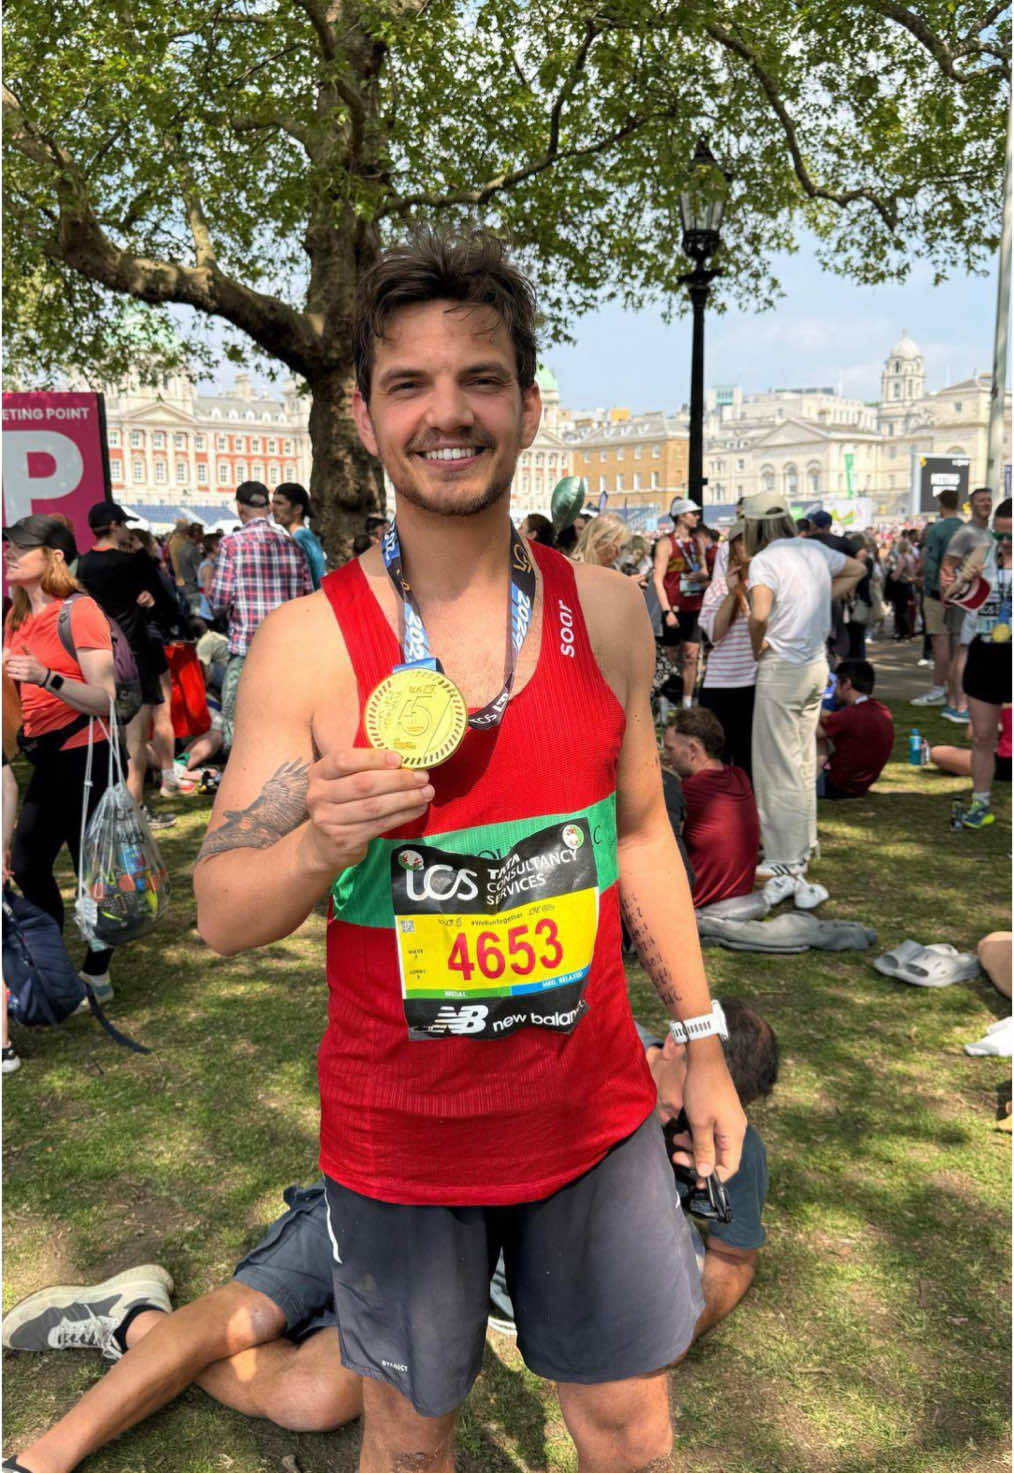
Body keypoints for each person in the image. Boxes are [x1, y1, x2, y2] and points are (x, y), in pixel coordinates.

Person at [194, 228, 745, 1473]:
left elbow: (641, 833)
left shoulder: (608, 612)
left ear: (528, 407)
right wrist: (316, 840)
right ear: (363, 416)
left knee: (628, 1427)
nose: (447, 414)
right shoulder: (308, 645)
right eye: (410, 384)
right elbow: (221, 912)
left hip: (594, 1118)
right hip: (403, 1137)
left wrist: (702, 1044)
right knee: (408, 1439)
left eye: (480, 380)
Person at [0, 1004, 774, 1473]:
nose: (693, 1119)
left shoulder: (725, 1136)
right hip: (391, 1197)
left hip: (448, 1273)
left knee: (313, 1401)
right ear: (681, 1045)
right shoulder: (579, 1039)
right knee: (245, 1315)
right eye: (690, 1093)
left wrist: (667, 1323)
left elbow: (732, 1262)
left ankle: (134, 1318)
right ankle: (45, 1455)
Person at [2, 516, 117, 1004]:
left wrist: (45, 676)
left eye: (19, 547)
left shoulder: (79, 610)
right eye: (7, 546)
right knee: (27, 865)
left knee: (93, 873)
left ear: (53, 556)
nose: (8, 554)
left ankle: (97, 972)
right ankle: (53, 962)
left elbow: (105, 698)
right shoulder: (15, 616)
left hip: (87, 754)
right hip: (44, 757)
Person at [744, 492, 864, 877]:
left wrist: (756, 645)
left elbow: (759, 615)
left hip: (783, 666)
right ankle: (802, 843)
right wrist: (816, 599)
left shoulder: (764, 560)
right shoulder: (813, 550)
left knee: (776, 764)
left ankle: (783, 856)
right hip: (815, 665)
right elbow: (857, 569)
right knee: (800, 758)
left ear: (753, 525)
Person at [75, 503, 187, 811]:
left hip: (101, 656)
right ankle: (134, 809)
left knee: (117, 737)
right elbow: (168, 604)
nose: (126, 530)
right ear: (114, 525)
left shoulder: (83, 565)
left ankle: (126, 804)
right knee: (135, 741)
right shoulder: (133, 562)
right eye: (124, 525)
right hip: (137, 655)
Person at [208, 481, 312, 751]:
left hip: (247, 649)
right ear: (267, 507)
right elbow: (307, 599)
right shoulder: (292, 545)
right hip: (287, 651)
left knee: (237, 728)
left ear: (239, 507)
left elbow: (219, 601)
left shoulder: (231, 545)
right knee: (287, 725)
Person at [942, 497, 1012, 828]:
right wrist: (964, 578)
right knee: (982, 735)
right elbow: (950, 597)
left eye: (1011, 535)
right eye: (999, 534)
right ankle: (981, 802)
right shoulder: (983, 555)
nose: (1005, 542)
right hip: (985, 653)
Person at [661, 708, 759, 909]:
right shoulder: (740, 777)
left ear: (693, 749)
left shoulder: (687, 791)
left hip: (698, 902)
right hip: (740, 894)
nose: (665, 756)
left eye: (670, 749)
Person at [696, 522, 757, 780]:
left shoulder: (767, 585)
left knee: (748, 762)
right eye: (741, 540)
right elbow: (715, 633)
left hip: (755, 683)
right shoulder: (718, 587)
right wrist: (733, 594)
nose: (747, 546)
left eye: (753, 538)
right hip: (720, 683)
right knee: (715, 761)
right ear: (732, 548)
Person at [937, 485, 996, 724]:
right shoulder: (966, 533)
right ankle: (957, 705)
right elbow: (947, 567)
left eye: (988, 500)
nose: (986, 504)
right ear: (971, 505)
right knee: (961, 652)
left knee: (968, 652)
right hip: (963, 601)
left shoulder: (989, 533)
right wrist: (948, 597)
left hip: (979, 600)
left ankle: (956, 702)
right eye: (981, 500)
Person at [652, 497, 712, 707]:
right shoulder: (665, 543)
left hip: (693, 607)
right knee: (670, 656)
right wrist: (666, 611)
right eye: (692, 513)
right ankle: (667, 701)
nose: (697, 517)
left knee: (691, 656)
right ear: (680, 516)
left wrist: (701, 575)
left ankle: (686, 703)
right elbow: (658, 579)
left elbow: (704, 571)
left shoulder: (697, 542)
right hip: (674, 607)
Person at [911, 488, 965, 708]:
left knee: (940, 641)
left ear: (941, 505)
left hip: (939, 593)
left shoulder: (937, 530)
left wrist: (928, 585)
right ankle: (955, 691)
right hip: (963, 593)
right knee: (957, 644)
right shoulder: (966, 528)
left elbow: (931, 563)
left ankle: (938, 689)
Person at [816, 659, 894, 799]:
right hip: (861, 785)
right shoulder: (883, 711)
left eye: (836, 684)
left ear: (846, 684)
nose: (834, 690)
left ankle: (811, 780)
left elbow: (815, 731)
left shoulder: (850, 715)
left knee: (819, 740)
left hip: (837, 786)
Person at [272, 481, 326, 590]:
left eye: (279, 503)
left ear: (297, 509)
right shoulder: (305, 536)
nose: (273, 508)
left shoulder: (298, 540)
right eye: (273, 503)